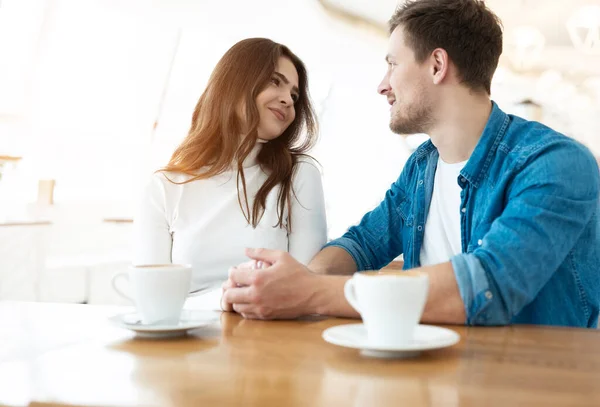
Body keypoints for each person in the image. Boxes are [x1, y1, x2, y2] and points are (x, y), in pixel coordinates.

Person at [221, 0, 600, 327]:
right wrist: (289, 282)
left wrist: (309, 291)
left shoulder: (556, 164)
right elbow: (363, 243)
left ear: (437, 65)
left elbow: (488, 286)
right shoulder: (423, 167)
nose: (382, 85)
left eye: (392, 64)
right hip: (435, 373)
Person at [133, 38, 327, 292]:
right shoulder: (165, 186)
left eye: (294, 95)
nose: (289, 101)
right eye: (274, 81)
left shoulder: (300, 175)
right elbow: (151, 296)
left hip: (268, 329)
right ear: (235, 83)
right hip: (187, 329)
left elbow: (304, 290)